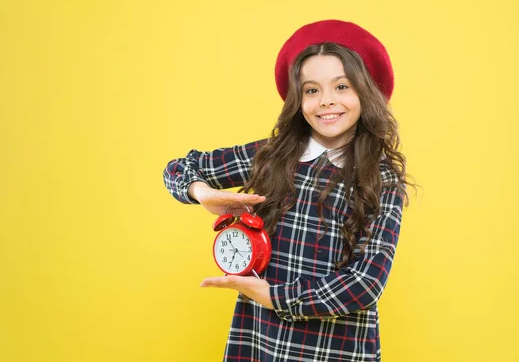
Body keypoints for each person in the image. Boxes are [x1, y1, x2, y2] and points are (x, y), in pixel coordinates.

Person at [163, 19, 412, 362]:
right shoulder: (272, 156)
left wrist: (274, 297)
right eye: (312, 90)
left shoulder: (380, 179)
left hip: (335, 349)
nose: (326, 101)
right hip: (259, 343)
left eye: (342, 87)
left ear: (365, 92)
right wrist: (201, 193)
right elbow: (179, 167)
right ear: (298, 98)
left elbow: (365, 283)